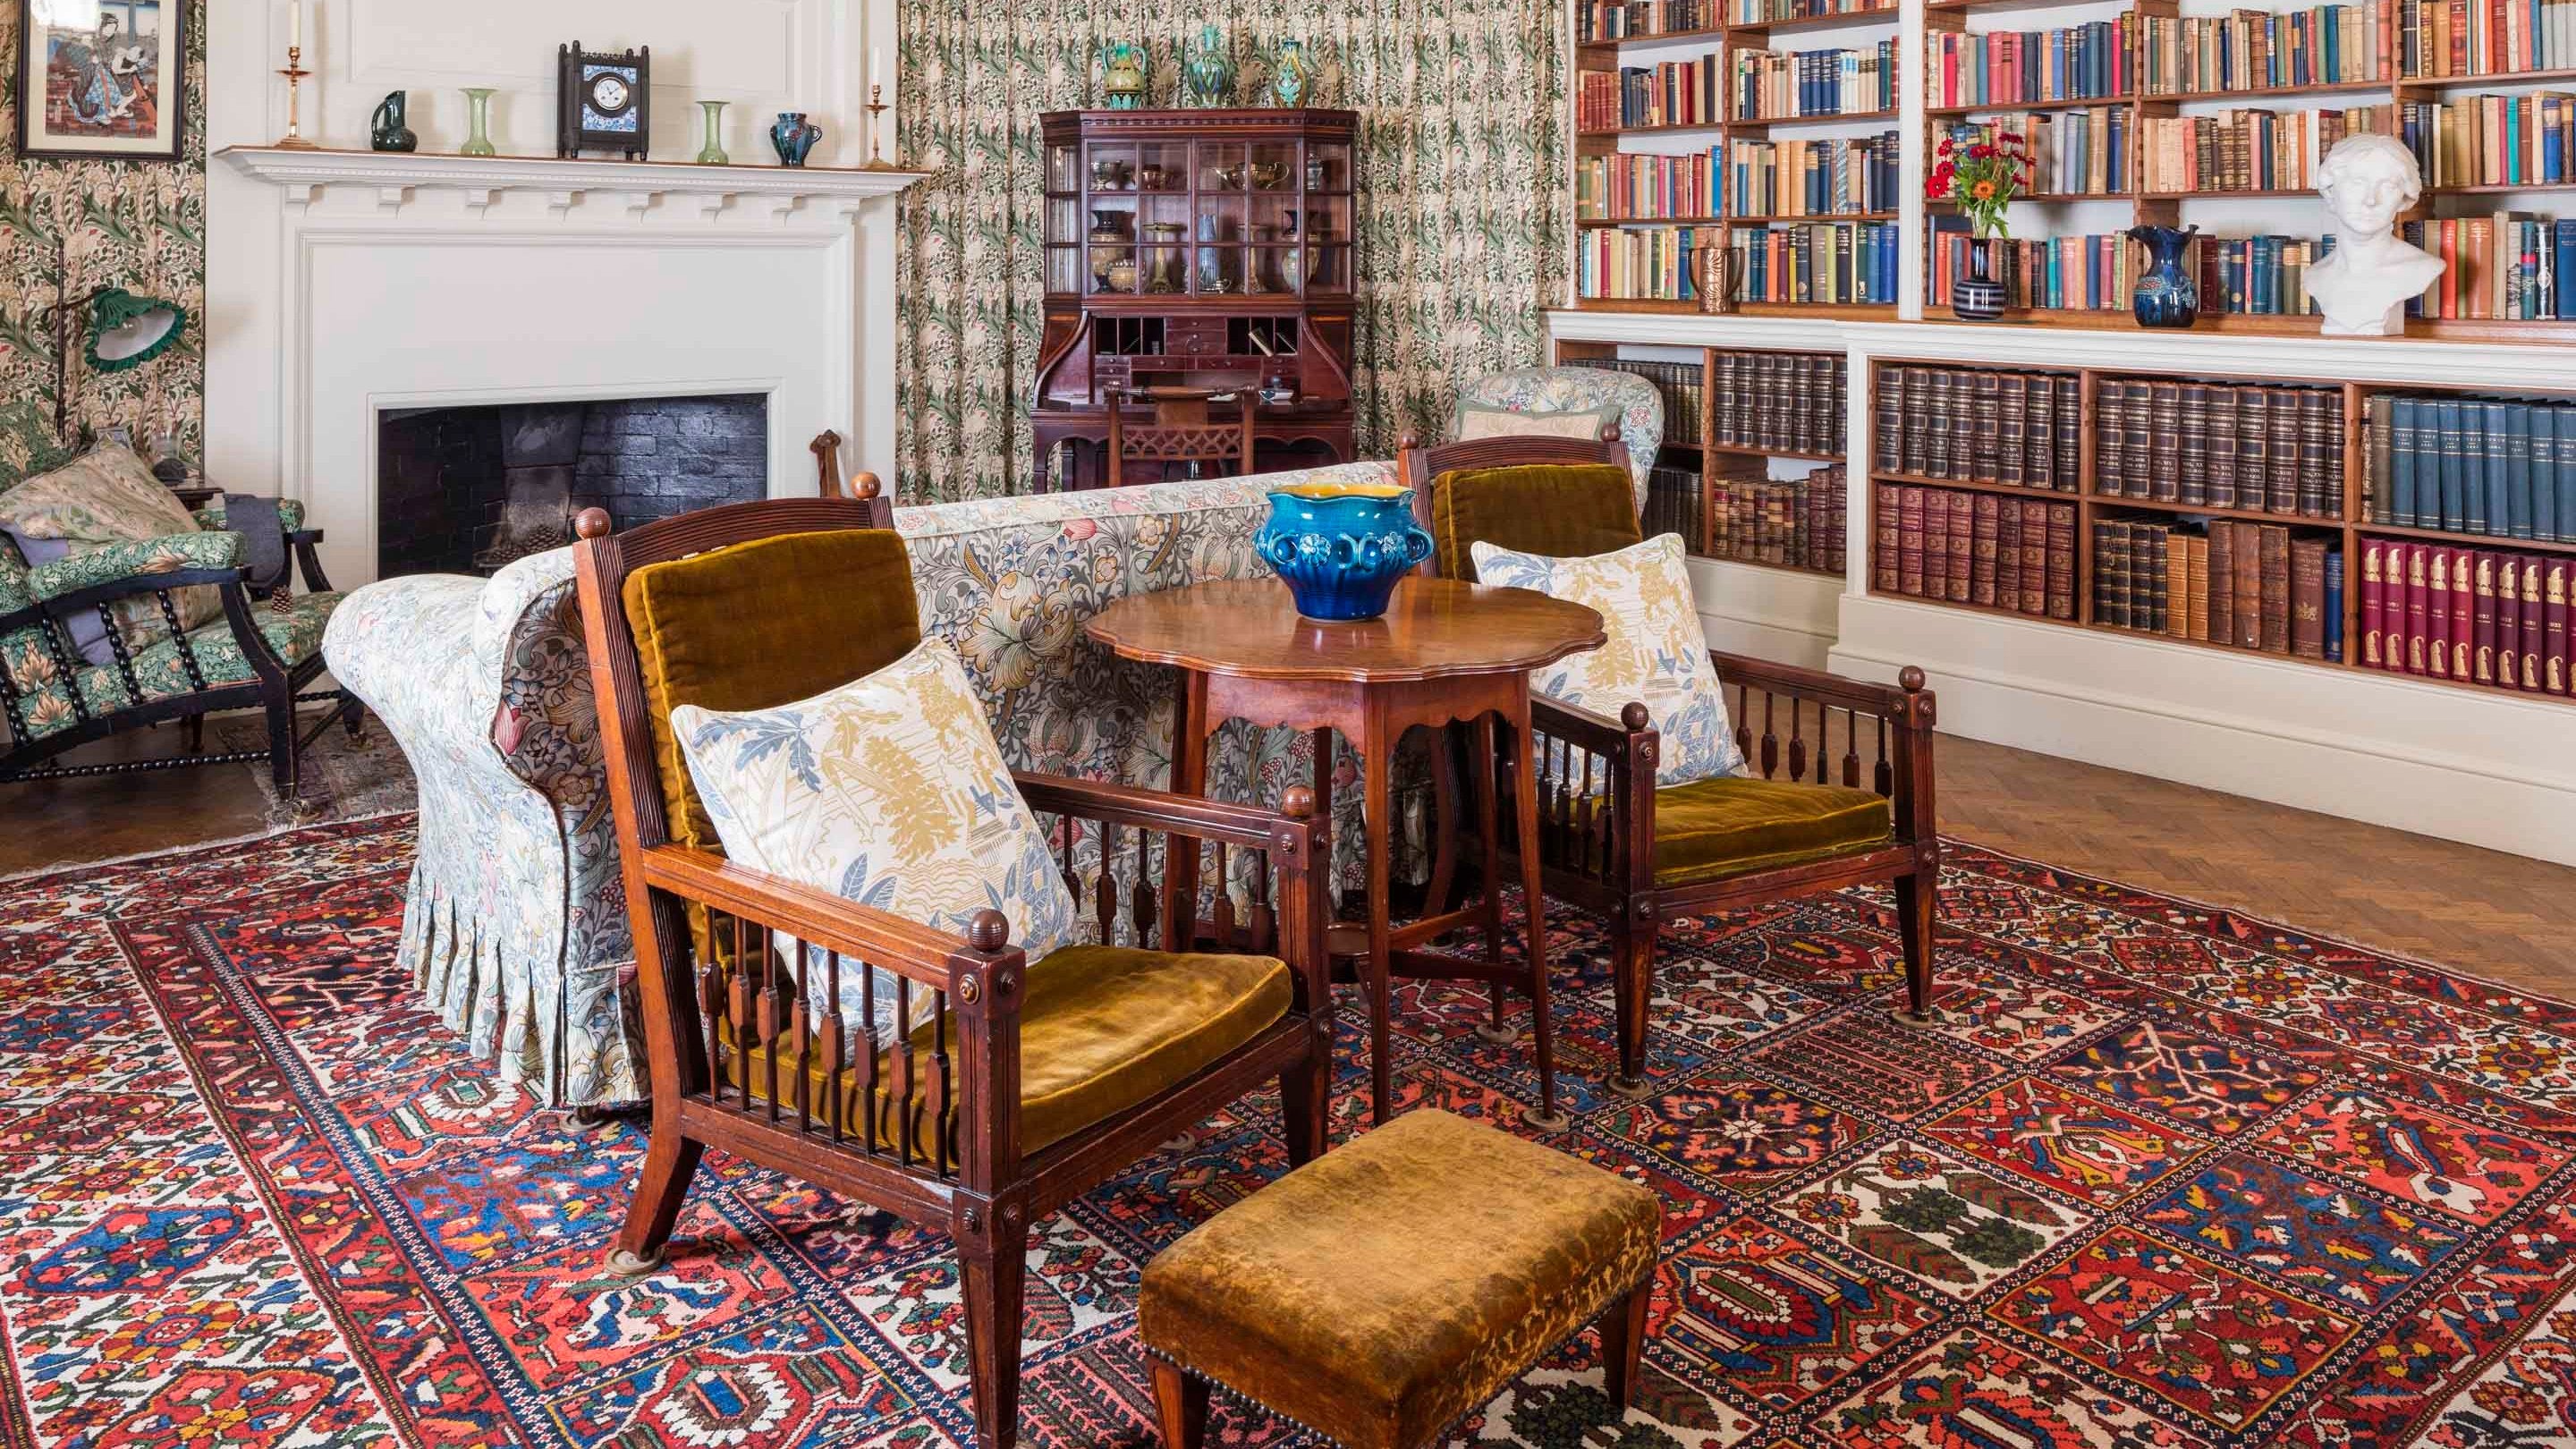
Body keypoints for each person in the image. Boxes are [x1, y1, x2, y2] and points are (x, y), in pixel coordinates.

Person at [2308, 132, 2445, 336]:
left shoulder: (2422, 268)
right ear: (2331, 191)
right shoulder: (2314, 276)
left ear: (2403, 199)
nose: (2371, 200)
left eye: (2388, 186)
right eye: (2357, 183)